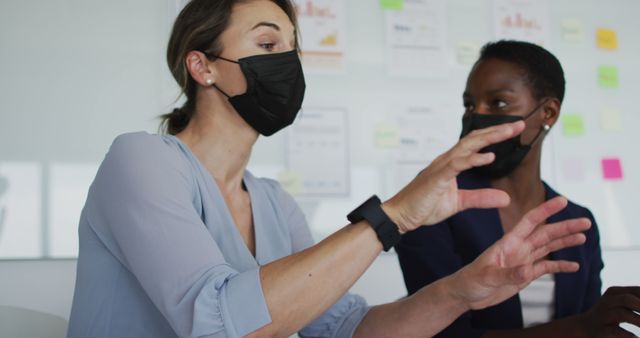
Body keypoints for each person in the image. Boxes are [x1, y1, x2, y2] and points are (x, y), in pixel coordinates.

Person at [67, 3, 593, 338]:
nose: (287, 64)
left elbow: (349, 330)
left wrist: (463, 290)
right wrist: (393, 217)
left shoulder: (274, 202)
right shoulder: (141, 160)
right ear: (202, 66)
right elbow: (219, 324)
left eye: (293, 49)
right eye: (269, 45)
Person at [396, 40, 640, 338]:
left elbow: (591, 326)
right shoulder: (434, 208)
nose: (476, 117)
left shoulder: (578, 222)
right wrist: (578, 328)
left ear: (548, 113)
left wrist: (607, 320)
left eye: (498, 103)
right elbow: (439, 334)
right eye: (470, 105)